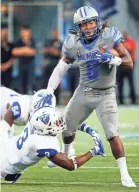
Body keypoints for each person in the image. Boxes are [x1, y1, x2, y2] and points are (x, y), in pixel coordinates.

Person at [46, 6, 136, 187]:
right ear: (78, 27)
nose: (88, 27)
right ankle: (66, 151)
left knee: (112, 133)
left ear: (97, 22)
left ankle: (125, 175)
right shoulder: (73, 43)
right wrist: (49, 91)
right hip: (84, 91)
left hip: (107, 94)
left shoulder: (109, 37)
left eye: (91, 23)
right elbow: (61, 68)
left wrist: (113, 59)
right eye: (84, 24)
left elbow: (129, 62)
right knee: (67, 129)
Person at [0, 105, 104, 183]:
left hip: (6, 144)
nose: (60, 123)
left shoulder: (37, 122)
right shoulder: (43, 142)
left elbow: (12, 109)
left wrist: (90, 130)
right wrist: (94, 151)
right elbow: (70, 165)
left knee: (5, 122)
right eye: (57, 122)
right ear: (46, 129)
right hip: (5, 167)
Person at [12, 25, 36, 94]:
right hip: (21, 65)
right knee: (22, 84)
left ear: (29, 32)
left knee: (32, 83)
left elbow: (32, 52)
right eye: (23, 31)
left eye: (26, 31)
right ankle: (23, 99)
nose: (25, 33)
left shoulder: (32, 41)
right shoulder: (18, 42)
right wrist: (26, 49)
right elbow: (14, 52)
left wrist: (21, 51)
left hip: (30, 65)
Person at [41, 30, 62, 104]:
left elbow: (59, 53)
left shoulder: (60, 43)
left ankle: (57, 102)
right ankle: (44, 102)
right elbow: (42, 50)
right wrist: (52, 50)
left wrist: (49, 50)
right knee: (45, 83)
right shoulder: (48, 41)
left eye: (56, 33)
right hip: (47, 65)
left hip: (56, 66)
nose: (55, 34)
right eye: (53, 33)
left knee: (56, 84)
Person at [117, 31, 136, 104]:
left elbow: (131, 49)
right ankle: (121, 100)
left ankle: (133, 100)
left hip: (129, 64)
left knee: (131, 82)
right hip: (121, 64)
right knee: (120, 83)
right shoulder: (118, 43)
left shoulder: (131, 41)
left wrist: (122, 50)